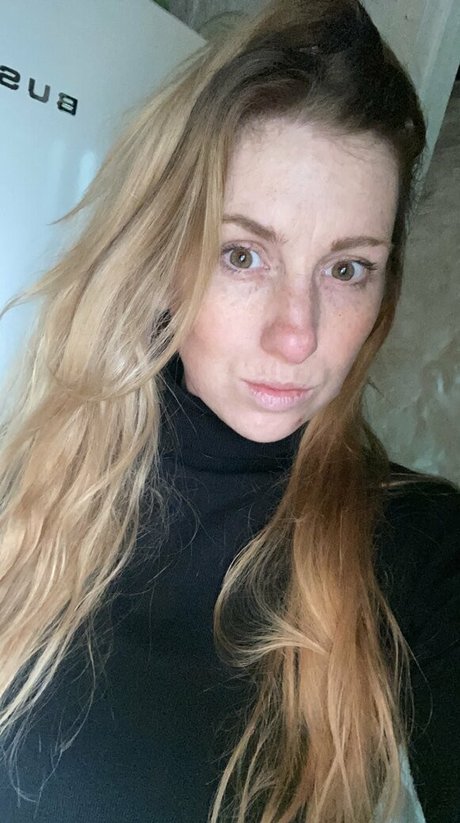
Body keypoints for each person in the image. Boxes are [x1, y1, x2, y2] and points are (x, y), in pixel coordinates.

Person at [0, 0, 458, 821]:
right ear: (163, 256)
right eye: (243, 254)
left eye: (347, 269)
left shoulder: (417, 551)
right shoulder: (31, 484)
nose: (297, 334)